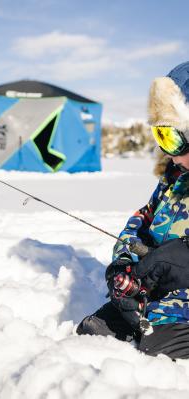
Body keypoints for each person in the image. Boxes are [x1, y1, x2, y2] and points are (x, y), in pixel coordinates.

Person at [77, 61, 189, 360]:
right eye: (164, 138)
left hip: (179, 315)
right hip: (151, 302)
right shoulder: (175, 180)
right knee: (91, 332)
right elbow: (139, 223)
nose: (172, 154)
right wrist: (123, 264)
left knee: (158, 354)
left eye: (176, 138)